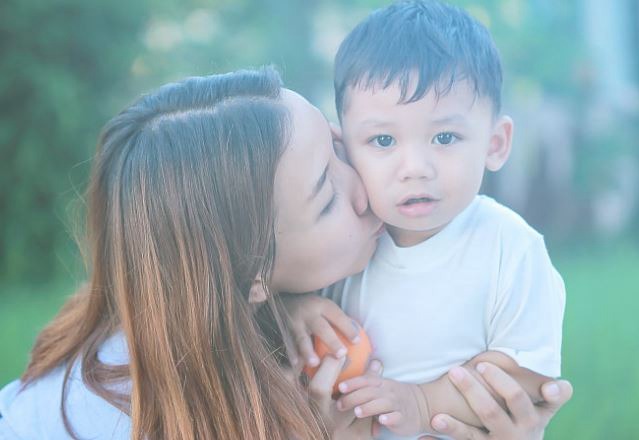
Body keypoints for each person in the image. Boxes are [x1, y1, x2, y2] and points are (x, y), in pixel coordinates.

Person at [0, 66, 570, 440]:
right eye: (326, 198)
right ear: (252, 276)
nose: (370, 187)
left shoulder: (278, 314)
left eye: (343, 148)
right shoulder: (85, 422)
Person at [286, 1, 566, 438]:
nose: (415, 166)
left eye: (444, 137)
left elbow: (529, 377)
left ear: (494, 144)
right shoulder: (346, 245)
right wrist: (296, 309)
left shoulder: (507, 245)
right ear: (343, 147)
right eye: (382, 139)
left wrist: (421, 401)